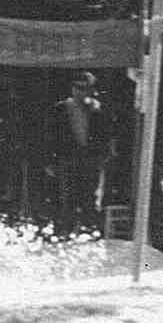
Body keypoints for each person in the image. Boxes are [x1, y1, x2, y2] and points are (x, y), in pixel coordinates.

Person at [45, 70, 113, 235]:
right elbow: (51, 136)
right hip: (68, 157)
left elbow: (106, 134)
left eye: (85, 88)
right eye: (78, 87)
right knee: (67, 197)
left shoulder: (98, 109)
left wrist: (104, 154)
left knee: (90, 197)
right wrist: (50, 160)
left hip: (91, 158)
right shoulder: (61, 108)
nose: (81, 92)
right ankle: (65, 232)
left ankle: (88, 231)